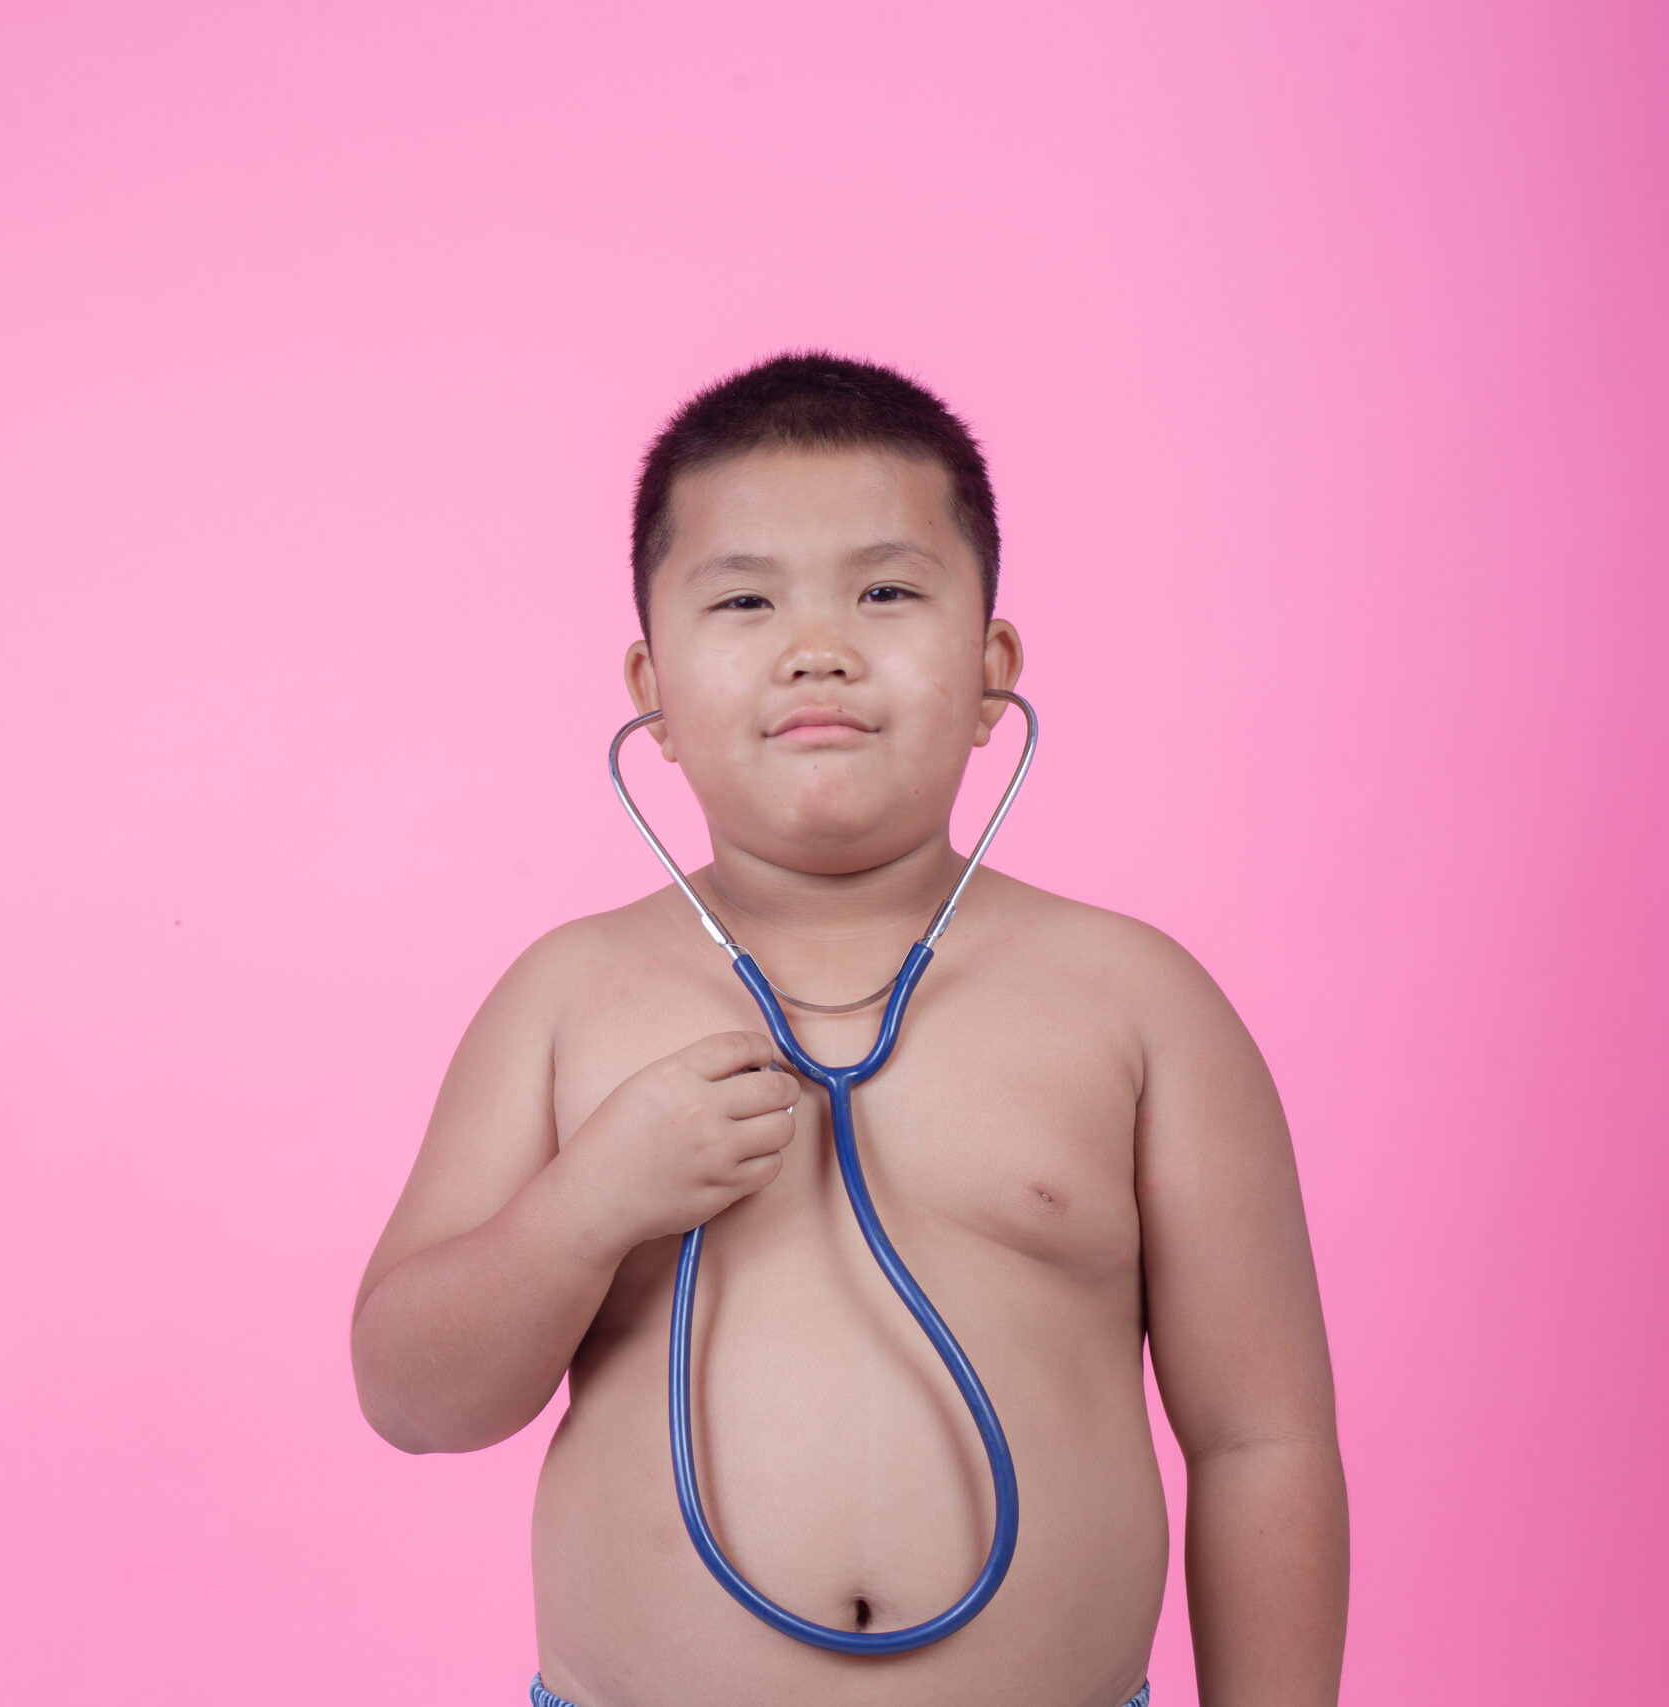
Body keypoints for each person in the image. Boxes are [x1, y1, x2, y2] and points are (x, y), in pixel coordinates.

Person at [350, 354, 1349, 1707]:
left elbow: (1261, 1442)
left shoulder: (1137, 1003)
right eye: (747, 597)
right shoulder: (567, 997)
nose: (817, 644)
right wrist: (588, 1204)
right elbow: (415, 1398)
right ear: (652, 689)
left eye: (886, 589)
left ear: (994, 670)